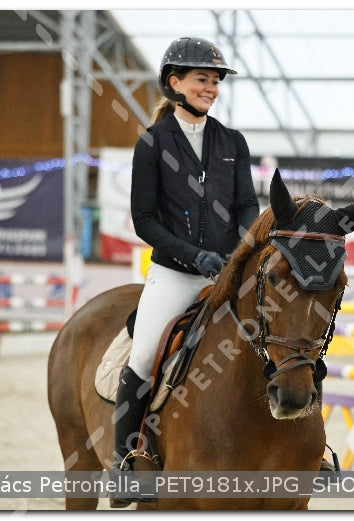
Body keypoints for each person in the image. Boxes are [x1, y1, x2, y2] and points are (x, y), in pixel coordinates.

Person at [110, 37, 259, 505]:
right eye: (202, 79)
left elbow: (246, 205)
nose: (211, 88)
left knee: (275, 341)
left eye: (215, 81)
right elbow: (145, 220)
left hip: (227, 272)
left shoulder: (232, 142)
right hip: (174, 275)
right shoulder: (152, 143)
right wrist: (194, 258)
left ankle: (304, 449)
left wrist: (237, 252)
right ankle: (125, 464)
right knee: (143, 355)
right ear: (175, 82)